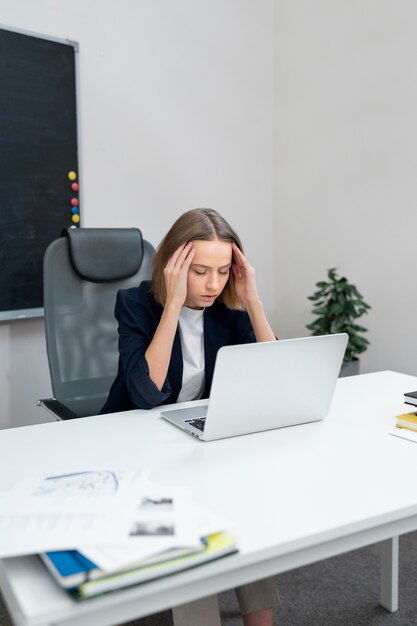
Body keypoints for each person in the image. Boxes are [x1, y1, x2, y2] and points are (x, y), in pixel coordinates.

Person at [101, 208, 280, 626]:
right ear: (173, 266)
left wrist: (252, 299)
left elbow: (273, 378)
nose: (214, 284)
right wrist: (174, 304)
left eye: (223, 271)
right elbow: (146, 394)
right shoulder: (134, 305)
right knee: (188, 531)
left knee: (244, 507)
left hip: (197, 437)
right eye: (200, 271)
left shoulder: (229, 309)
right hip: (135, 442)